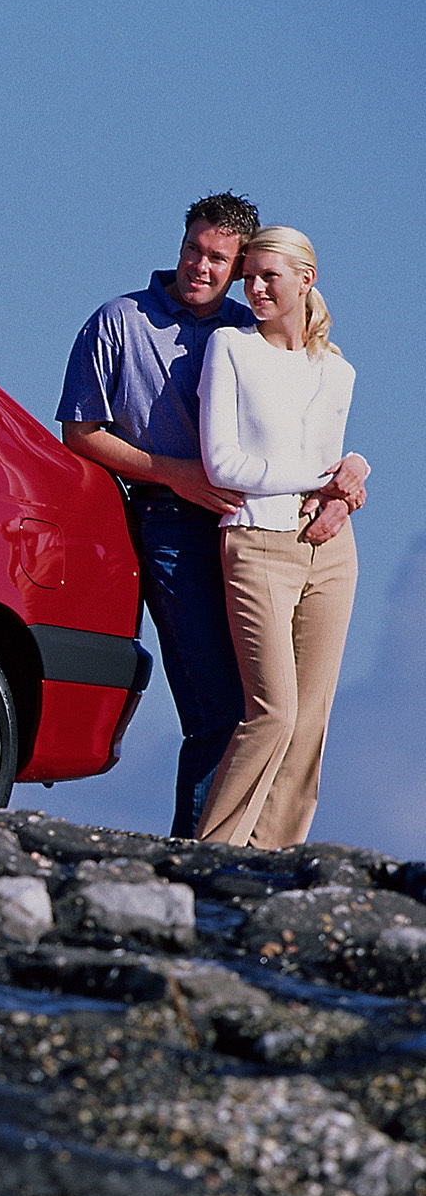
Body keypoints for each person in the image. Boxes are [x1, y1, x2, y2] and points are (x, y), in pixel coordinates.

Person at [56, 195, 367, 836]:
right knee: (219, 708)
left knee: (272, 710)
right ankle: (199, 857)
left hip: (254, 524)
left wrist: (349, 476)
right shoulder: (120, 322)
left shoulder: (250, 328)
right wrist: (173, 473)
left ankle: (250, 851)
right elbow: (79, 433)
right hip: (171, 523)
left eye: (219, 259)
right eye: (192, 250)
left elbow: (304, 431)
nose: (201, 266)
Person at [195, 227, 367, 847]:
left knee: (310, 720)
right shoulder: (230, 348)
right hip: (256, 542)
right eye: (249, 277)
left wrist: (355, 469)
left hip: (330, 550)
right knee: (273, 713)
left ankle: (271, 863)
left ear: (305, 279)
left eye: (269, 276)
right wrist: (325, 479)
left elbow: (332, 463)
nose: (256, 288)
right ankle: (213, 853)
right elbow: (222, 465)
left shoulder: (339, 371)